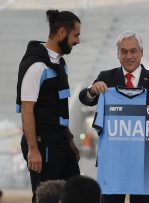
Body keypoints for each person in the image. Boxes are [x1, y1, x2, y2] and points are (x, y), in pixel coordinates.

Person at [79, 31, 149, 203]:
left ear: (141, 53)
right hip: (114, 163)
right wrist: (92, 89)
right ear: (117, 54)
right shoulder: (106, 77)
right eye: (124, 51)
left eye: (133, 51)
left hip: (145, 163)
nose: (129, 56)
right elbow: (85, 98)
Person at [16, 10, 81, 203]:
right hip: (42, 143)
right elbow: (27, 110)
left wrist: (68, 140)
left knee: (75, 193)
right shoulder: (36, 65)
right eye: (76, 35)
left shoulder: (60, 63)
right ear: (62, 33)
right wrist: (33, 149)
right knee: (46, 198)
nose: (78, 41)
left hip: (60, 140)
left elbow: (59, 108)